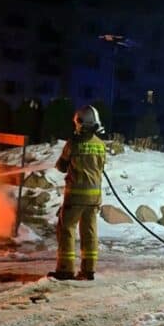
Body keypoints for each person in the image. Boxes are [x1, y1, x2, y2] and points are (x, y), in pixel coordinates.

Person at [48, 105, 107, 281]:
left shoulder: (73, 143)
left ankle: (65, 269)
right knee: (89, 232)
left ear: (82, 122)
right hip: (94, 197)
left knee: (66, 229)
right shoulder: (100, 145)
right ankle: (89, 270)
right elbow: (100, 167)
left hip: (75, 197)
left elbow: (62, 166)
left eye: (77, 123)